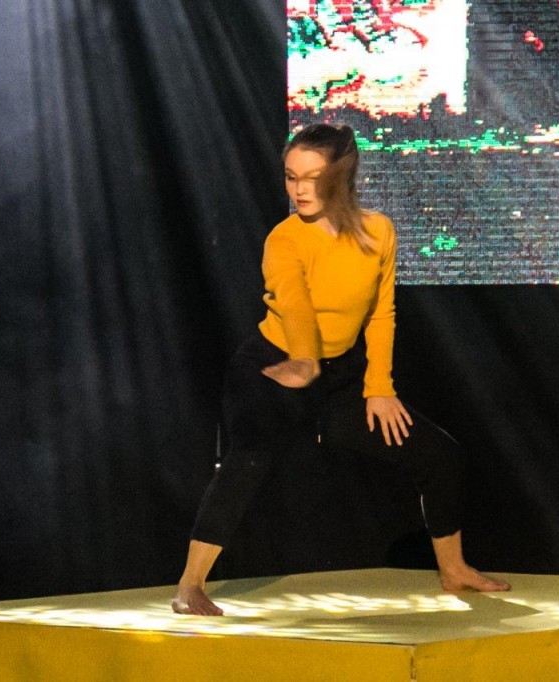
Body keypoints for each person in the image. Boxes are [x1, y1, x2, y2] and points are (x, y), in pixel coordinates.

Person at [172, 123, 509, 616]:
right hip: (273, 365)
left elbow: (381, 314)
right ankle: (189, 587)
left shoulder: (379, 231)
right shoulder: (285, 239)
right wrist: (304, 360)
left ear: (342, 176)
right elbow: (295, 305)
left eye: (312, 178)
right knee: (248, 460)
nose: (299, 190)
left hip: (339, 376)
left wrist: (379, 387)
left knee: (440, 455)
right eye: (291, 177)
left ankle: (454, 570)